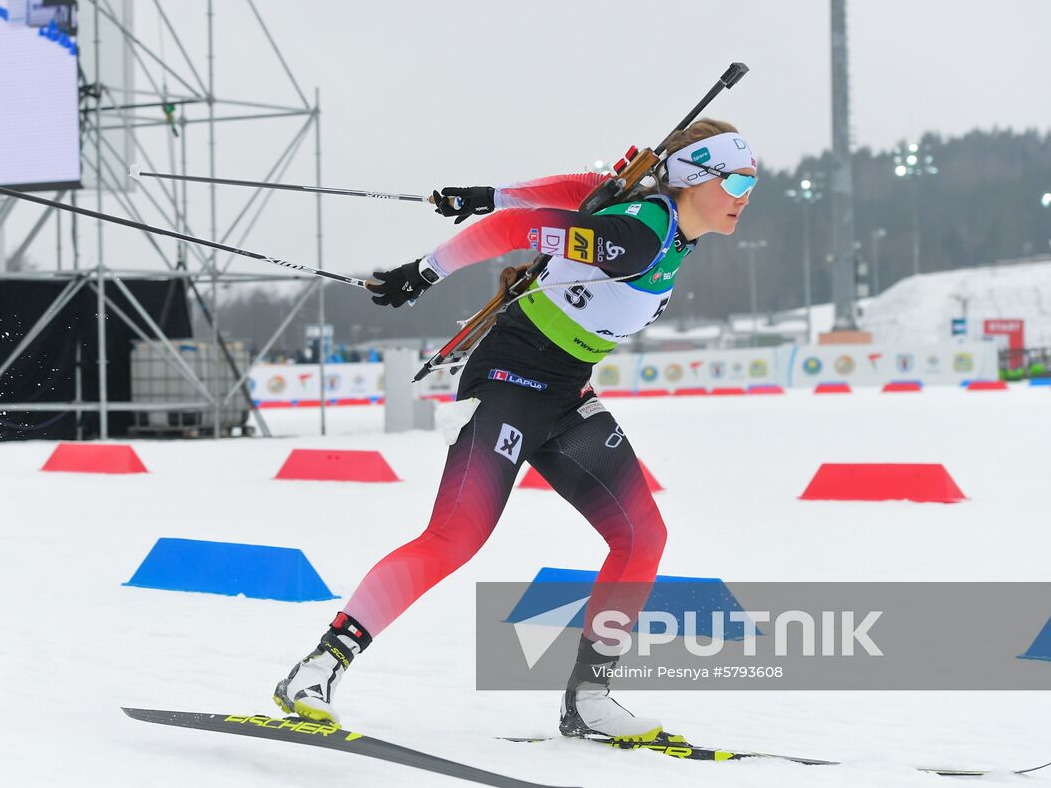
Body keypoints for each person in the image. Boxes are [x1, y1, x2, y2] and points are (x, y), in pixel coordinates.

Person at [273, 120, 758, 742]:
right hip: (509, 381)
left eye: (752, 181)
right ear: (693, 179)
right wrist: (423, 270)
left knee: (641, 536)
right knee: (455, 537)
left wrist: (492, 191)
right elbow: (512, 235)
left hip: (564, 395)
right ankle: (318, 668)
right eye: (736, 179)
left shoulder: (660, 222)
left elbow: (591, 185)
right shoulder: (637, 238)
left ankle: (589, 699)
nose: (746, 194)